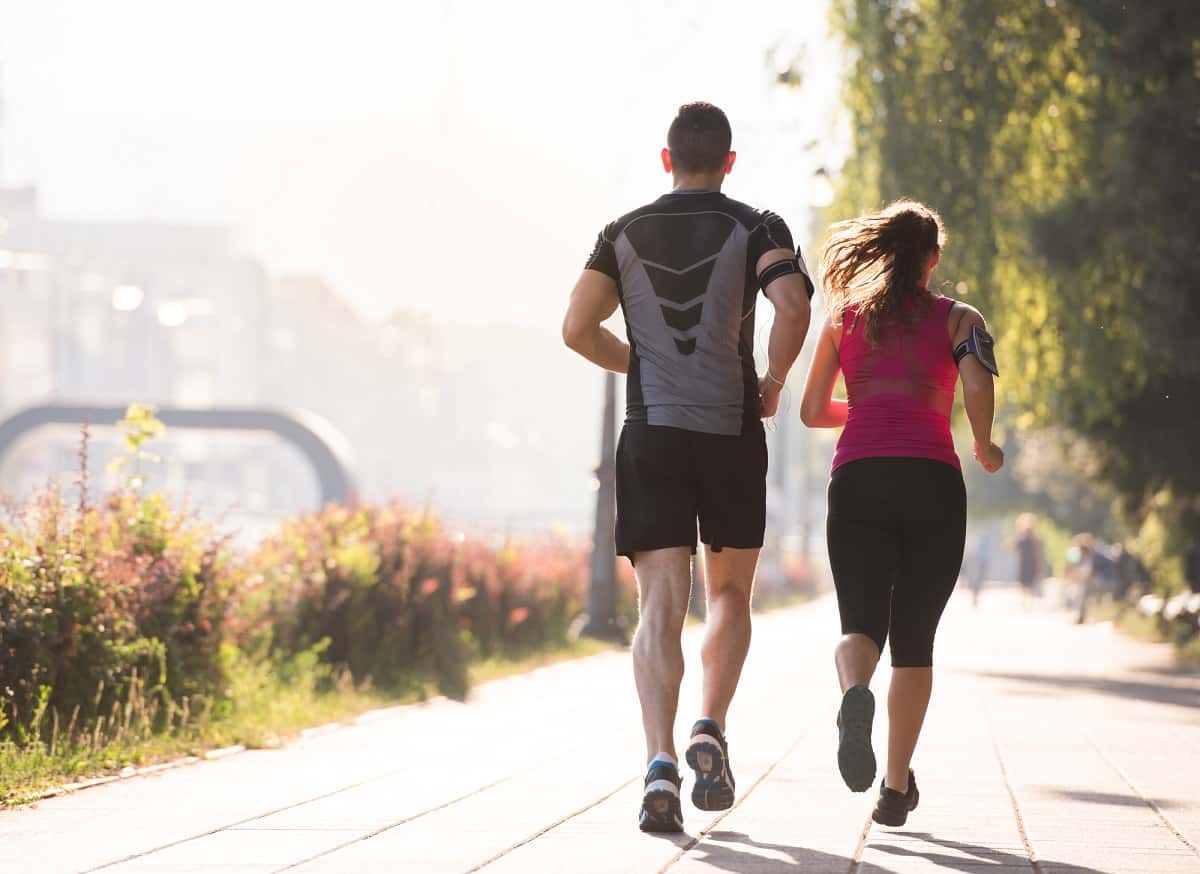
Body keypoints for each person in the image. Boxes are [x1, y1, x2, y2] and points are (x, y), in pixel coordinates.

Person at [561, 102, 813, 833]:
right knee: (729, 596)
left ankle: (660, 767)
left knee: (659, 607)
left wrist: (638, 359)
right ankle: (710, 726)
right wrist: (771, 380)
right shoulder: (759, 224)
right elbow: (792, 305)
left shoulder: (622, 232)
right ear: (729, 162)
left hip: (653, 437)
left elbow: (577, 328)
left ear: (665, 160)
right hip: (731, 432)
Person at [799, 199, 1002, 828]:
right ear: (933, 258)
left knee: (859, 624)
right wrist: (984, 441)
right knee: (914, 637)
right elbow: (977, 383)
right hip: (932, 481)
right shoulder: (959, 317)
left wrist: (862, 410)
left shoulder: (843, 319)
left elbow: (810, 411)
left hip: (857, 478)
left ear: (883, 252)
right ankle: (894, 787)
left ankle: (854, 693)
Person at [1014, 513, 1045, 606]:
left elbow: (1038, 553)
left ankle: (1028, 601)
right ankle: (1026, 601)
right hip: (1025, 564)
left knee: (1029, 584)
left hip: (1030, 564)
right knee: (1025, 584)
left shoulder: (1035, 540)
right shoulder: (1023, 539)